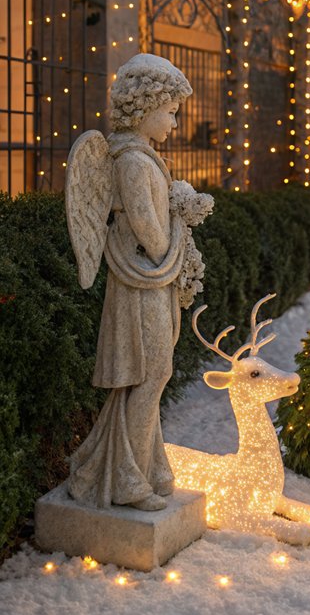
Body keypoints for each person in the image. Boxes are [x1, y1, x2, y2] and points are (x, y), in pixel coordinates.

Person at [67, 54, 194, 510]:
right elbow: (155, 240)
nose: (175, 124)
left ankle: (143, 467)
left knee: (149, 376)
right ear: (146, 108)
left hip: (146, 282)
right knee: (149, 374)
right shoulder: (134, 163)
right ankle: (128, 480)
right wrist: (184, 218)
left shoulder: (141, 157)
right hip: (141, 282)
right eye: (171, 112)